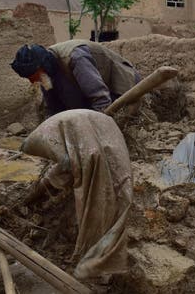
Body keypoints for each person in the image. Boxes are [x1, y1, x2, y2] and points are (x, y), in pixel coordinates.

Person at [20, 109, 132, 279]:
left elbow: (66, 165)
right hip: (102, 128)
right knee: (114, 183)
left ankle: (98, 258)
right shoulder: (58, 137)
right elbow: (62, 169)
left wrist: (31, 198)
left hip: (91, 137)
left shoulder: (46, 140)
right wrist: (32, 197)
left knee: (102, 194)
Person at [10, 39, 140, 116]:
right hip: (99, 91)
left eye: (34, 76)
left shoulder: (76, 58)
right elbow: (54, 109)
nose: (33, 81)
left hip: (123, 85)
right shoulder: (46, 74)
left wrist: (97, 128)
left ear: (44, 66)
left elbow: (100, 99)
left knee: (120, 116)